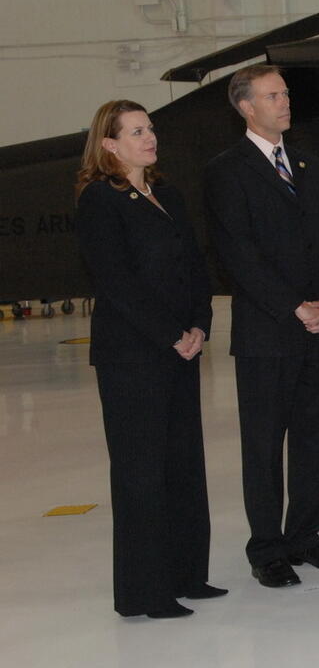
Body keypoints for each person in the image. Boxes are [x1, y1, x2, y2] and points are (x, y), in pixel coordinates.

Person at [203, 65, 319, 588]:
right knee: (265, 447)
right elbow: (236, 255)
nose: (285, 102)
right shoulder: (228, 170)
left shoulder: (311, 163)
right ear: (246, 107)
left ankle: (306, 536)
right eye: (273, 96)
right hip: (270, 333)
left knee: (317, 440)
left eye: (286, 93)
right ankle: (267, 547)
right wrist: (296, 307)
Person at [75, 100, 224, 620]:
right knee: (141, 473)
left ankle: (188, 574)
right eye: (137, 130)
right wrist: (170, 334)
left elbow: (195, 266)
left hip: (181, 349)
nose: (150, 137)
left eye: (151, 128)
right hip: (133, 357)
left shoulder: (168, 194)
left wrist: (200, 324)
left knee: (183, 465)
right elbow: (116, 282)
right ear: (110, 144)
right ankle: (145, 592)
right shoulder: (99, 200)